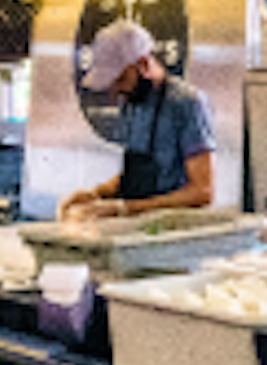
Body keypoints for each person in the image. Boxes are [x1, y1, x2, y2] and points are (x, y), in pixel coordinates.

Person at [63, 22, 214, 219]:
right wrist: (98, 194)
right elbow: (137, 174)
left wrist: (126, 209)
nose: (116, 90)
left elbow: (202, 192)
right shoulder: (132, 102)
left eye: (121, 79)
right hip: (134, 231)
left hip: (173, 234)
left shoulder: (187, 104)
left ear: (143, 65)